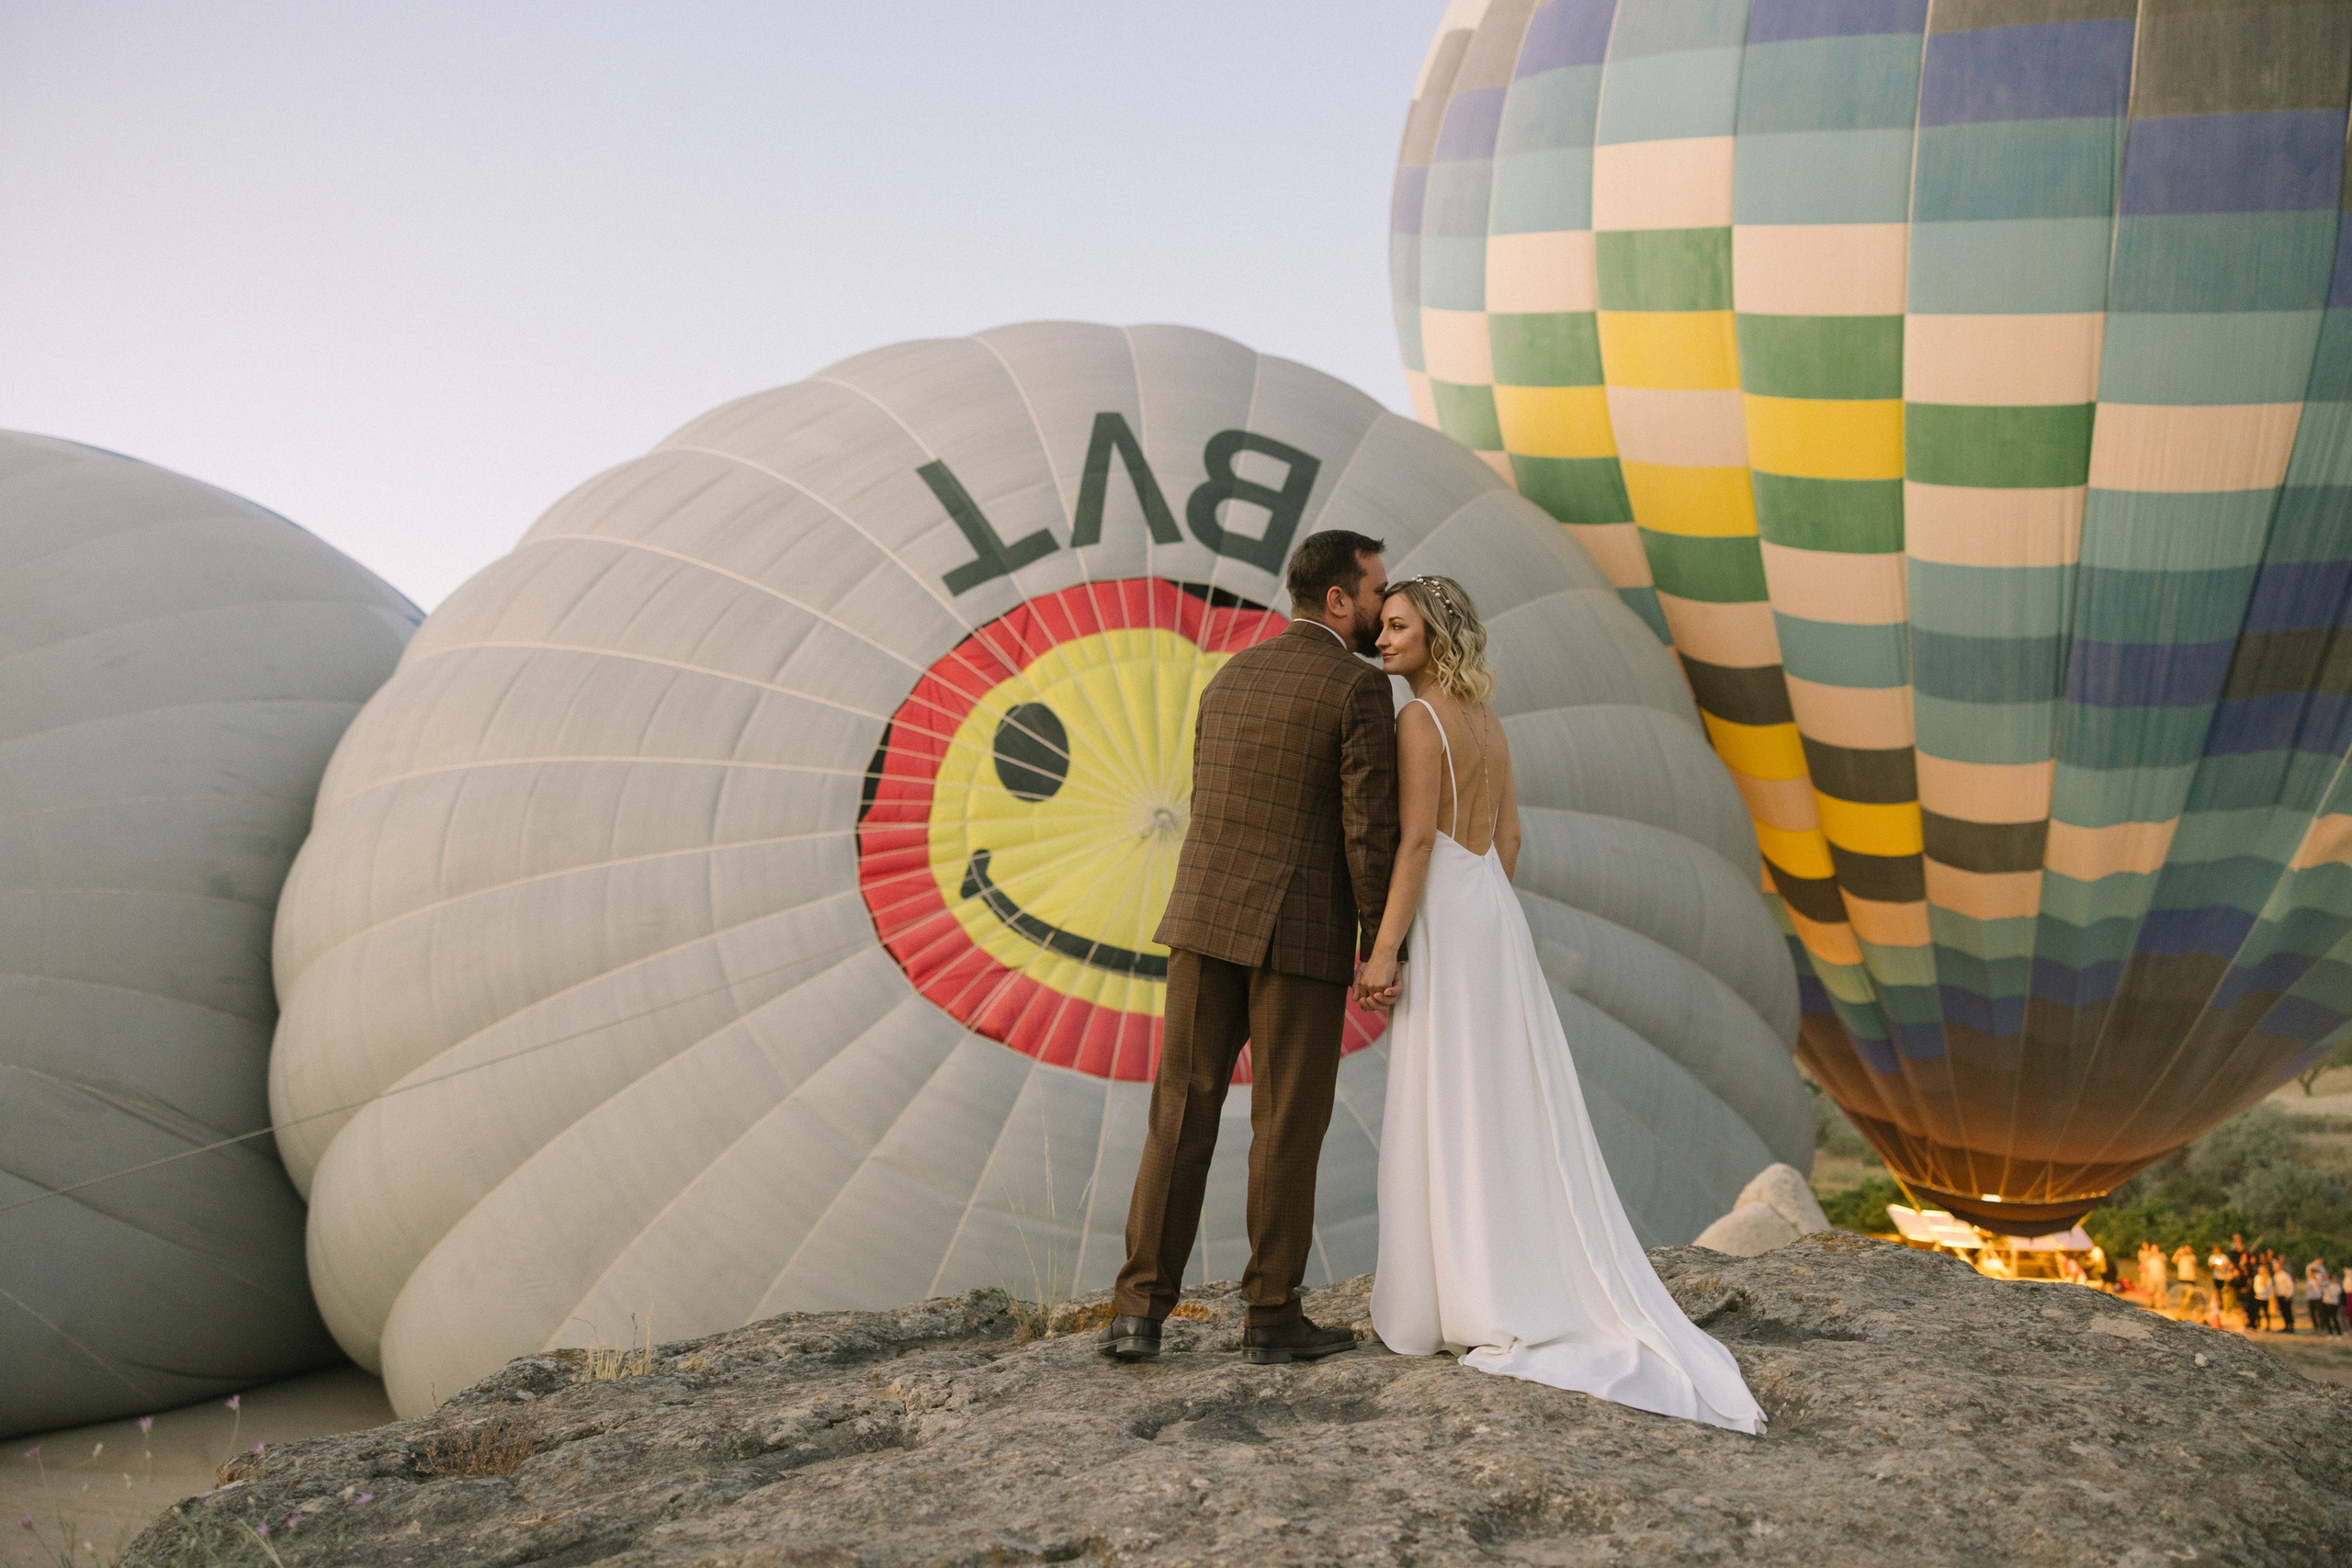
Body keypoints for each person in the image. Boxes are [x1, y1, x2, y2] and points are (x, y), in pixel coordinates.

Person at [1361, 574, 1766, 1435]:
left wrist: (1389, 942)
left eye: (1397, 627)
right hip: (1492, 916)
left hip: (1444, 906)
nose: (1383, 637)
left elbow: (1420, 838)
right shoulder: (1490, 724)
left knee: (1453, 1089)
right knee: (1506, 1092)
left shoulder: (1416, 720)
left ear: (1434, 637)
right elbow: (1506, 839)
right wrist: (1480, 912)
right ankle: (1504, 1263)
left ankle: (1461, 1283)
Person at [1101, 530, 1399, 1368]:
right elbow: (1368, 830)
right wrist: (1382, 941)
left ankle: (1136, 1312)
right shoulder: (1358, 688)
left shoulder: (1231, 676)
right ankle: (1270, 1312)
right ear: (1338, 600)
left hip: (1201, 919)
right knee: (1285, 1124)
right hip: (1297, 931)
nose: (1384, 605)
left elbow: (1214, 793)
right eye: (1377, 591)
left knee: (1180, 1110)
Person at [2273, 1255, 2298, 1333]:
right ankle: (2286, 1325)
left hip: (2285, 1296)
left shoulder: (2285, 1275)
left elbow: (2290, 1285)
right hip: (2279, 1295)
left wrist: (2289, 1295)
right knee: (2283, 1311)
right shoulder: (2276, 1276)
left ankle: (2291, 1326)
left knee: (2288, 1312)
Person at [2253, 1253, 2274, 1329]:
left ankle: (2268, 1325)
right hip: (2258, 1297)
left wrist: (2262, 1293)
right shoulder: (2257, 1277)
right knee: (2257, 1311)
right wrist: (2258, 1293)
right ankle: (2258, 1324)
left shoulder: (2268, 1278)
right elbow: (2255, 1286)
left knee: (2266, 1311)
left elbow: (2268, 1288)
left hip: (2265, 1297)